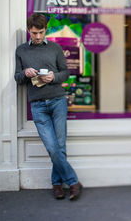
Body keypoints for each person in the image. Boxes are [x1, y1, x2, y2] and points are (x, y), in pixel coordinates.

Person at [14, 13, 82, 200]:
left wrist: (53, 77)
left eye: (41, 32)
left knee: (59, 146)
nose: (37, 37)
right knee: (52, 147)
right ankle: (74, 181)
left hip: (58, 101)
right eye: (34, 33)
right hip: (38, 105)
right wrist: (26, 73)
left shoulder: (55, 48)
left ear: (45, 30)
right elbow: (17, 78)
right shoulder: (21, 51)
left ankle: (57, 185)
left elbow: (66, 73)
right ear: (29, 30)